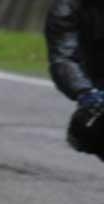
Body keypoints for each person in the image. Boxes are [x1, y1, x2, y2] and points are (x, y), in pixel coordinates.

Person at [45, 0, 104, 158]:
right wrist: (85, 92)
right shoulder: (67, 8)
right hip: (97, 83)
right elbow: (63, 57)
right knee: (88, 129)